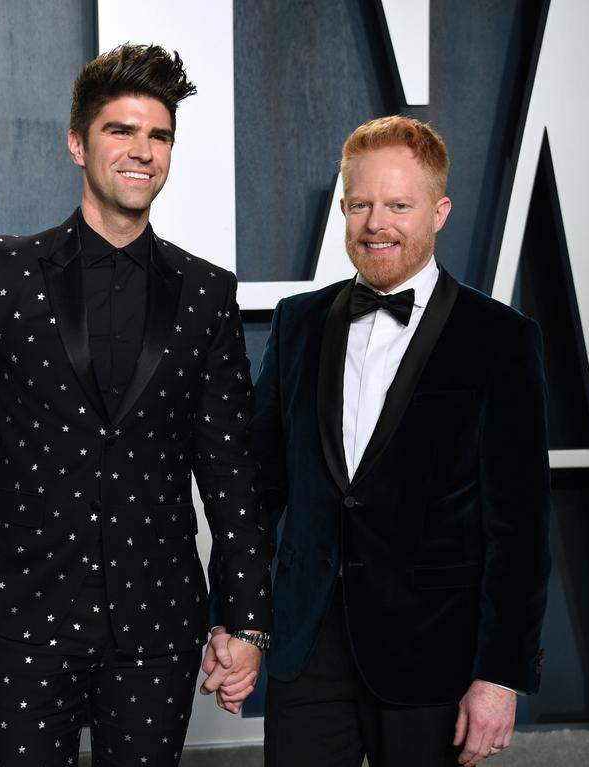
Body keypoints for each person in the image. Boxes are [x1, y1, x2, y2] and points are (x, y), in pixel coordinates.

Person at [0, 43, 271, 766]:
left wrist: (245, 619)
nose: (143, 151)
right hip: (24, 611)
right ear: (78, 144)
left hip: (158, 622)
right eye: (122, 130)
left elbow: (231, 468)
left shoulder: (206, 292)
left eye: (159, 135)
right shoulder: (8, 271)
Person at [237, 115, 551, 766]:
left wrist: (499, 676)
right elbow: (258, 491)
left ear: (439, 212)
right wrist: (240, 619)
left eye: (399, 205)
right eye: (361, 204)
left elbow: (520, 528)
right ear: (343, 210)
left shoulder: (500, 339)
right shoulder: (299, 323)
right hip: (307, 650)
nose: (376, 223)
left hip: (433, 656)